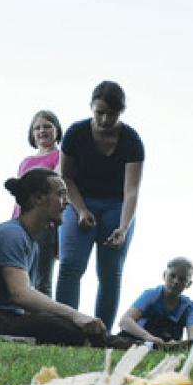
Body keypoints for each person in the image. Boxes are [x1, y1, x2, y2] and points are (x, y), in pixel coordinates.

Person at [0, 167, 110, 346]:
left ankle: (125, 344)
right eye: (61, 194)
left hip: (5, 318)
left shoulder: (32, 242)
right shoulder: (11, 234)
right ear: (38, 198)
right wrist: (75, 315)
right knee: (59, 327)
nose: (66, 202)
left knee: (65, 325)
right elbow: (20, 294)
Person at [56, 81, 145, 332]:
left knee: (110, 272)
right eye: (100, 113)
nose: (105, 120)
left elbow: (131, 190)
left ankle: (100, 333)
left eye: (112, 114)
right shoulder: (75, 134)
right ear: (91, 107)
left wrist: (123, 228)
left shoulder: (131, 141)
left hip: (117, 206)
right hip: (79, 201)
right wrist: (81, 210)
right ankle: (65, 329)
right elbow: (66, 177)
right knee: (70, 265)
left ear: (121, 112)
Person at [13, 110, 63, 296]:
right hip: (21, 222)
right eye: (37, 128)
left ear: (57, 130)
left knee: (42, 279)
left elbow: (55, 184)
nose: (42, 131)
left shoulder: (60, 156)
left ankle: (44, 313)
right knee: (20, 274)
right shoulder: (26, 162)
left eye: (47, 126)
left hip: (44, 224)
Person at [118, 257, 193, 348]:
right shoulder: (151, 295)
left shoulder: (190, 308)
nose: (176, 281)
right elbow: (125, 321)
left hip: (169, 343)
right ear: (164, 275)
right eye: (172, 276)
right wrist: (150, 338)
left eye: (182, 279)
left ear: (188, 284)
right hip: (141, 339)